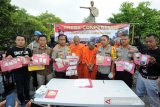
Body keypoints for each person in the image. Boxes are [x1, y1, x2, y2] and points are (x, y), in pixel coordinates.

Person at [6, 35, 32, 105]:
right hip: (17, 73)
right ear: (16, 41)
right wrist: (8, 58)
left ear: (24, 41)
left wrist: (29, 58)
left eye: (22, 40)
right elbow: (6, 62)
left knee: (27, 88)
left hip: (27, 72)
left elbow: (32, 61)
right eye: (19, 40)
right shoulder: (10, 50)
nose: (20, 41)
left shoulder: (28, 50)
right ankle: (22, 101)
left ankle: (28, 101)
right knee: (19, 89)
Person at [136, 34, 160, 107]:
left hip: (152, 79)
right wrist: (137, 62)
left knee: (153, 99)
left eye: (150, 41)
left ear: (157, 41)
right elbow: (141, 61)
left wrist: (155, 63)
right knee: (138, 95)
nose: (148, 43)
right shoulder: (145, 50)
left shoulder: (159, 52)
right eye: (146, 42)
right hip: (141, 76)